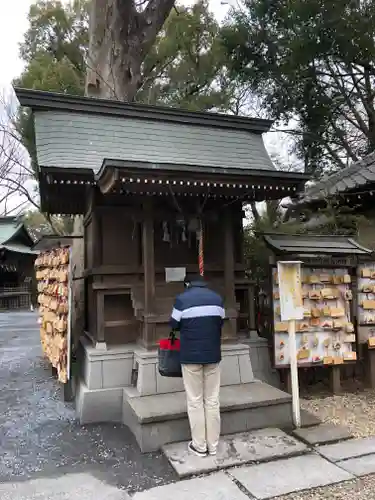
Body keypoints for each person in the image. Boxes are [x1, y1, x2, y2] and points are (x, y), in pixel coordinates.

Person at [169, 273, 225, 457]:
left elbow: (173, 324)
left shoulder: (182, 300)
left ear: (188, 284)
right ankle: (213, 445)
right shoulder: (217, 299)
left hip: (190, 357)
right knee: (212, 400)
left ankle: (199, 446)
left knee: (195, 401)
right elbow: (220, 322)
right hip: (213, 356)